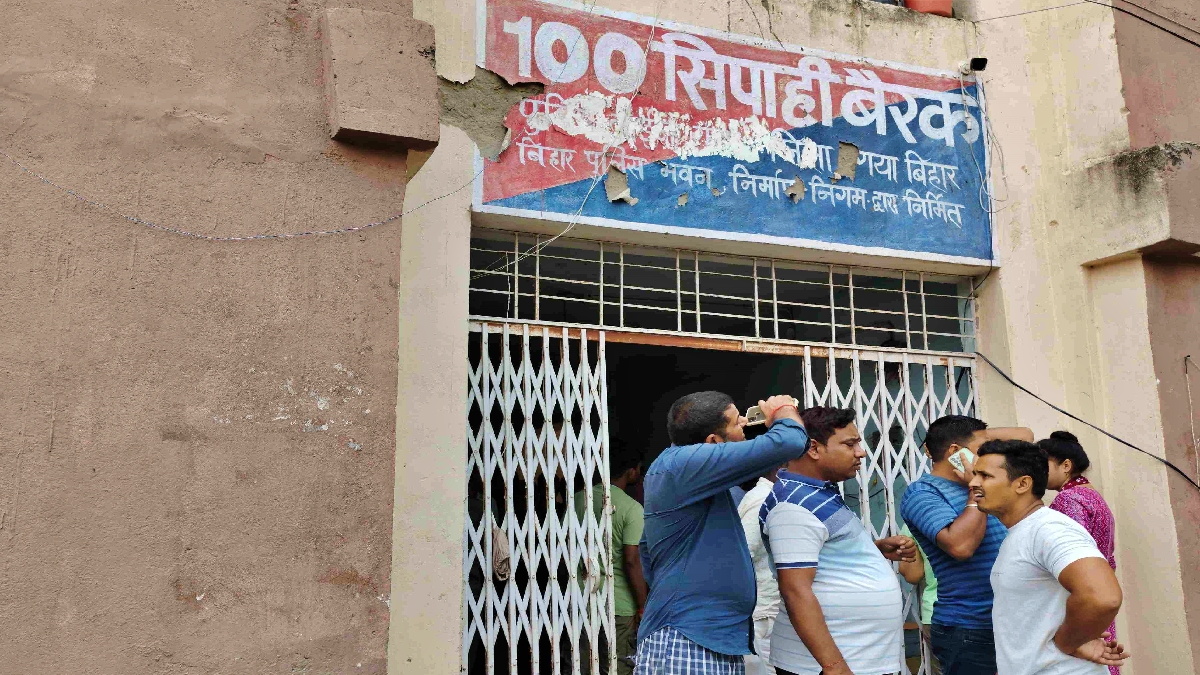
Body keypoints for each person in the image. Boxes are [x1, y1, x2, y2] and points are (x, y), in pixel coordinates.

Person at [635, 392, 808, 675]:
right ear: (713, 443)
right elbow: (790, 442)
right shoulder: (684, 464)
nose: (744, 423)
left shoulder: (688, 473)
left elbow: (647, 551)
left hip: (708, 636)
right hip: (688, 637)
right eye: (736, 422)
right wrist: (784, 409)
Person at [760, 406, 917, 675]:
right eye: (850, 444)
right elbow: (795, 590)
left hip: (857, 657)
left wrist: (873, 550)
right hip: (828, 665)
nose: (861, 452)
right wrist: (834, 667)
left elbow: (819, 557)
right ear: (813, 448)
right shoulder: (793, 506)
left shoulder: (818, 493)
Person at [970, 440, 1129, 674]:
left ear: (1023, 484)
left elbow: (1102, 597)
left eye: (985, 476)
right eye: (975, 474)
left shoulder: (1049, 529)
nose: (973, 483)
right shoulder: (1021, 531)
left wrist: (1067, 643)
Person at [898, 415, 1033, 675]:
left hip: (1008, 620)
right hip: (969, 627)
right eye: (981, 449)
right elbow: (961, 546)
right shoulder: (923, 493)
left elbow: (1025, 436)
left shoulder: (984, 484)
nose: (986, 454)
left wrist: (975, 438)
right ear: (955, 453)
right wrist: (977, 489)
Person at [1040, 431, 1120, 675]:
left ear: (1066, 466)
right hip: (1099, 592)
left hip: (1079, 601)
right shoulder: (1092, 496)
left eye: (1043, 466)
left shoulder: (1068, 500)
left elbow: (1070, 557)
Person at [575, 442, 650, 675]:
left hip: (579, 598)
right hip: (619, 604)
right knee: (617, 667)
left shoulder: (576, 499)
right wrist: (641, 606)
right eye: (638, 468)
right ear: (631, 471)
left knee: (582, 665)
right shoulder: (632, 508)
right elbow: (631, 561)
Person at [738, 466, 782, 675]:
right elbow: (742, 556)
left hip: (775, 614)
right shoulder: (763, 500)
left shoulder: (776, 497)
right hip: (765, 617)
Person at [898, 522, 939, 675]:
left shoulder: (916, 517)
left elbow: (912, 574)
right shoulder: (991, 507)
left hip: (939, 610)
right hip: (993, 608)